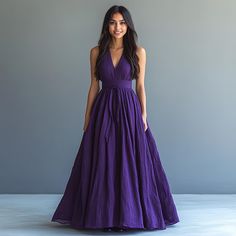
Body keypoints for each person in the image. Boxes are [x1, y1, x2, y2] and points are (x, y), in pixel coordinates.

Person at [51, 5, 180, 232]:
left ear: (128, 25)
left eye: (121, 22)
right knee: (103, 161)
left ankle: (129, 216)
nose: (117, 27)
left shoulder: (138, 52)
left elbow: (140, 86)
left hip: (129, 110)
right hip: (103, 109)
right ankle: (104, 217)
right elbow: (93, 86)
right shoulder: (96, 52)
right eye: (112, 22)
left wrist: (143, 114)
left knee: (130, 162)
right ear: (106, 25)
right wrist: (87, 115)